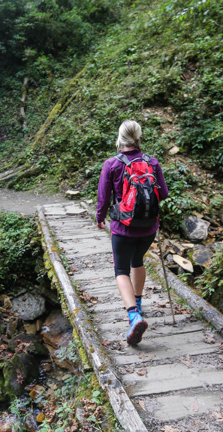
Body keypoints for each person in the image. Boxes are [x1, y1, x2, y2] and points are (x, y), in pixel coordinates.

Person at [96, 120, 169, 345]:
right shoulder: (152, 162)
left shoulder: (112, 164)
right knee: (138, 261)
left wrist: (100, 218)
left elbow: (103, 196)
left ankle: (133, 315)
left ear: (120, 138)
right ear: (138, 137)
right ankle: (138, 304)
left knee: (121, 270)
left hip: (123, 227)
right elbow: (163, 194)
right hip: (148, 227)